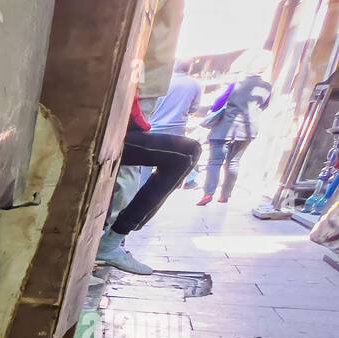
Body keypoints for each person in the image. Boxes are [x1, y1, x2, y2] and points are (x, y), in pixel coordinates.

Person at [96, 96, 202, 275]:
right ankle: (112, 240)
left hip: (116, 127)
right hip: (102, 128)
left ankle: (112, 239)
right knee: (186, 153)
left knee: (186, 153)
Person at [198, 63, 272, 205]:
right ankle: (225, 195)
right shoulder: (267, 87)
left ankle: (208, 193)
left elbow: (218, 103)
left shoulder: (236, 84)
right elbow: (264, 106)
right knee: (234, 162)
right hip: (248, 129)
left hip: (225, 128)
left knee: (215, 162)